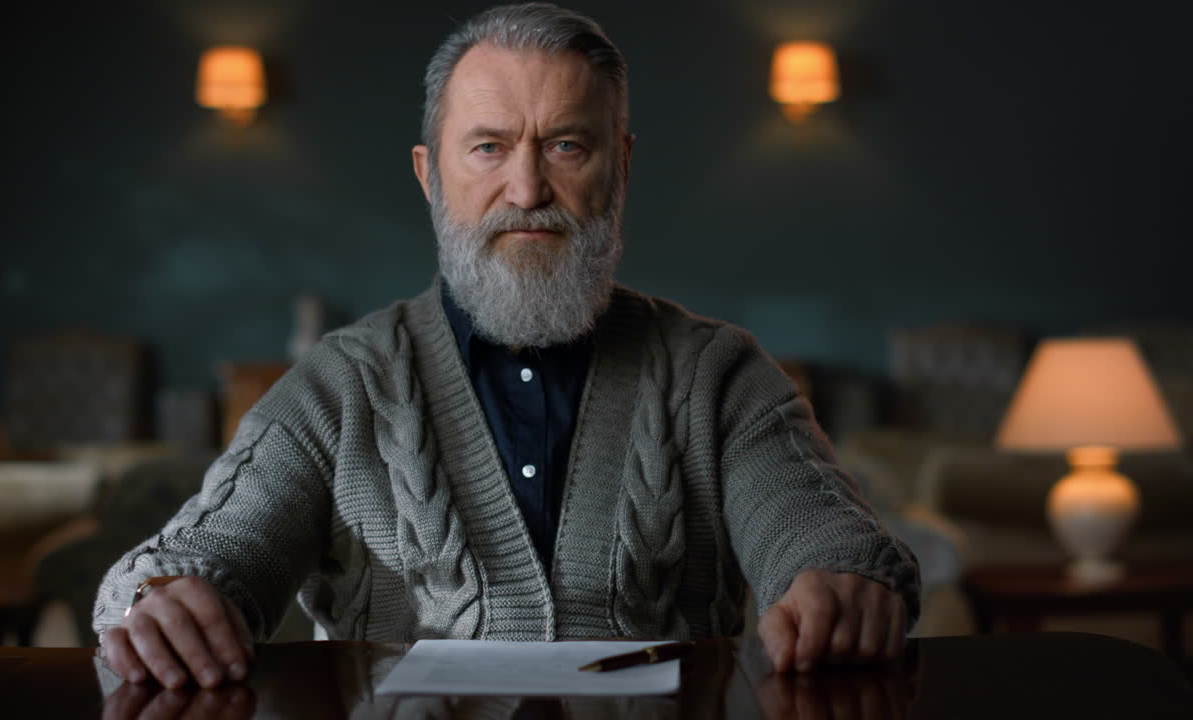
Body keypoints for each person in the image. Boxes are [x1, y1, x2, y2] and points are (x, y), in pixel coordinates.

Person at [95, 2, 919, 690]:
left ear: (620, 167)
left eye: (566, 144)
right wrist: (165, 599)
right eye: (488, 147)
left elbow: (822, 538)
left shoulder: (720, 374)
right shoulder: (338, 385)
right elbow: (204, 555)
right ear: (430, 175)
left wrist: (841, 584)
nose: (527, 190)